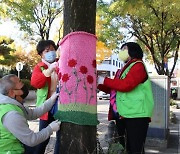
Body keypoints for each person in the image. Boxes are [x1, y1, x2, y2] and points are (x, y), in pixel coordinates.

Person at [98, 42, 154, 154]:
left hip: (137, 115)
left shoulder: (138, 65)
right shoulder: (123, 69)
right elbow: (114, 89)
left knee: (135, 149)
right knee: (126, 148)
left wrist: (104, 80)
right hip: (124, 114)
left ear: (133, 51)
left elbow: (126, 85)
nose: (121, 52)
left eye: (124, 49)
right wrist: (99, 84)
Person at [0, 74, 61, 154]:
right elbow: (31, 140)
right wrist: (50, 129)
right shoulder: (11, 115)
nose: (24, 86)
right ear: (11, 92)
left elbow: (33, 113)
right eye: (20, 83)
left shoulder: (10, 104)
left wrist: (51, 100)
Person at [31, 40, 60, 154]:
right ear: (41, 54)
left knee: (61, 137)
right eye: (47, 51)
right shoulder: (39, 67)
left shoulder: (61, 63)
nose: (51, 53)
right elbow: (36, 83)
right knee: (43, 137)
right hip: (46, 108)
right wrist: (49, 70)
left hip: (61, 105)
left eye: (53, 50)